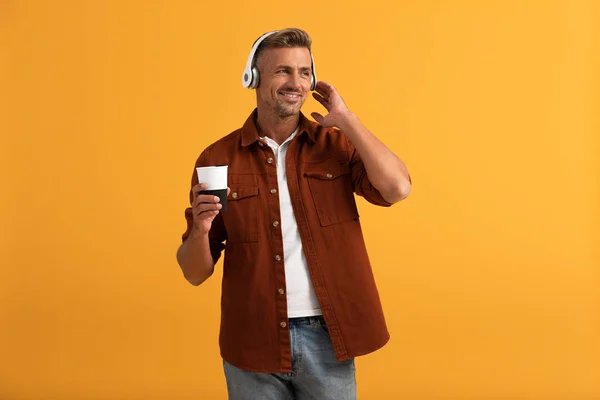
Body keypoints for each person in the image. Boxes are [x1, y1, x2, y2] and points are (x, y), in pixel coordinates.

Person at [176, 28, 412, 400]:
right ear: (254, 77)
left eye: (304, 72)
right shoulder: (217, 159)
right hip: (252, 339)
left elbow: (398, 188)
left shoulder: (335, 145)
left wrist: (347, 119)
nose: (296, 83)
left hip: (327, 336)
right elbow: (194, 272)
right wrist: (201, 231)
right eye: (283, 71)